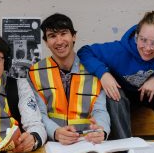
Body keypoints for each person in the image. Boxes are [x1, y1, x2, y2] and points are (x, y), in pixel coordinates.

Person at [78, 8, 154, 140]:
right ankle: (124, 147)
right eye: (143, 40)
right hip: (123, 97)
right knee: (112, 95)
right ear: (136, 36)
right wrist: (103, 74)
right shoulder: (119, 50)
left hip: (152, 96)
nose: (147, 48)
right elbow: (84, 52)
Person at [29, 13, 109, 145]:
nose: (59, 41)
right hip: (53, 145)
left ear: (74, 36)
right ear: (46, 42)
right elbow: (38, 114)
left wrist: (102, 130)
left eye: (63, 33)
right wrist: (55, 132)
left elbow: (100, 110)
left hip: (88, 143)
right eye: (52, 36)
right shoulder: (35, 72)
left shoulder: (94, 70)